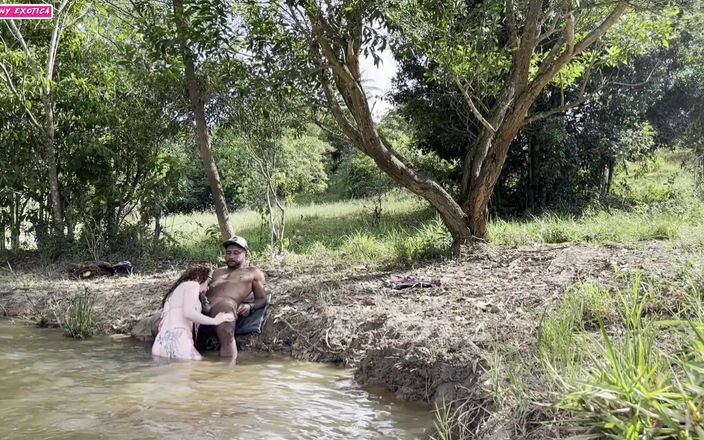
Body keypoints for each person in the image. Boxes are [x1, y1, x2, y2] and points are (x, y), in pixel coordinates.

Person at [152, 265, 235, 361]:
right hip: (179, 339)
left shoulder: (173, 294)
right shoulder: (193, 285)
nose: (207, 288)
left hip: (160, 343)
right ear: (202, 277)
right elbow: (189, 313)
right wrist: (215, 320)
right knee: (200, 372)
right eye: (208, 283)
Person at [205, 235, 268, 359]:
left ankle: (228, 372)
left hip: (225, 305)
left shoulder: (253, 272)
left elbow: (262, 299)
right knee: (158, 323)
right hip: (203, 304)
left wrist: (250, 306)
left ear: (246, 254)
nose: (231, 256)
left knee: (226, 329)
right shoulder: (217, 272)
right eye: (228, 253)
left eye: (236, 253)